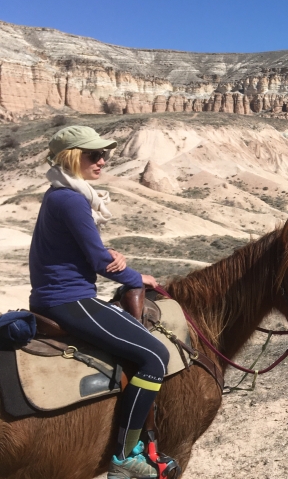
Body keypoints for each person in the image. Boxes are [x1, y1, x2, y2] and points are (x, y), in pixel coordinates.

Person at [29, 125, 173, 479]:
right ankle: (124, 457)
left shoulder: (59, 194)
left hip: (59, 294)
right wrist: (138, 278)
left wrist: (107, 254)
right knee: (156, 356)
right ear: (72, 157)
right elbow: (97, 262)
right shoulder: (71, 199)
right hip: (68, 299)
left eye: (103, 154)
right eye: (94, 155)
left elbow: (84, 251)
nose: (102, 161)